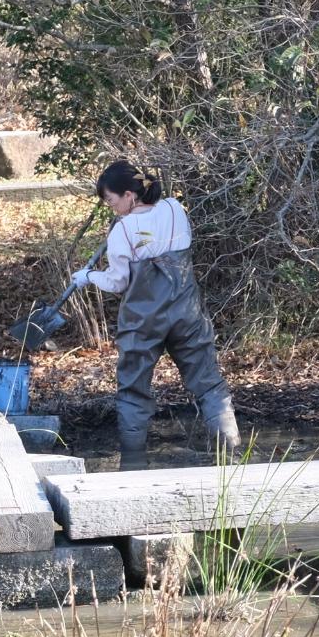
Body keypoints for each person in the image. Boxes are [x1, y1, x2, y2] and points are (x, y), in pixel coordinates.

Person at [71, 161, 241, 469]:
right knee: (208, 383)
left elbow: (118, 282)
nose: (111, 208)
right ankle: (232, 455)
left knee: (133, 389)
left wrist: (89, 277)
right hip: (187, 313)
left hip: (142, 321)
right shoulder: (174, 209)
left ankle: (133, 462)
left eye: (111, 201)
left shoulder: (121, 231)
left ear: (128, 195)